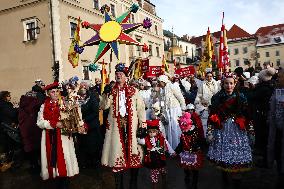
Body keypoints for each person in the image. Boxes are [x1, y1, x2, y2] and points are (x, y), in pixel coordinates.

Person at [100, 63, 146, 189]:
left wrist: (143, 124)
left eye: (121, 74)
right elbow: (103, 106)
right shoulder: (111, 90)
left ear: (126, 77)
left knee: (133, 150)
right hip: (116, 126)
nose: (118, 75)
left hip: (131, 125)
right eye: (117, 74)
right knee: (117, 152)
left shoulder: (133, 91)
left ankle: (133, 183)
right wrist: (105, 94)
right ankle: (119, 185)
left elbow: (141, 108)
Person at [207, 73, 254, 189]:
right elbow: (212, 116)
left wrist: (251, 131)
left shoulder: (241, 97)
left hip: (238, 131)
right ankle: (225, 179)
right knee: (224, 157)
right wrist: (210, 131)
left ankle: (236, 183)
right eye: (226, 83)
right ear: (222, 84)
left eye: (231, 83)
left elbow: (248, 116)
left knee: (236, 159)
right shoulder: (217, 98)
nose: (229, 86)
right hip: (222, 130)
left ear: (235, 84)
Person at [36, 82, 81, 189]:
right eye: (52, 92)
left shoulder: (66, 103)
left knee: (65, 158)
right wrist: (54, 124)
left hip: (64, 136)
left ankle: (65, 182)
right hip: (49, 136)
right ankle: (57, 181)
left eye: (57, 91)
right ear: (48, 93)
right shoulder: (44, 106)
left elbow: (75, 117)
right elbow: (39, 122)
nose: (55, 94)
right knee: (52, 159)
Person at [138, 119, 174, 189]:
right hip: (152, 159)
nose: (151, 133)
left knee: (162, 170)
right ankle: (154, 184)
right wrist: (141, 133)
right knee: (154, 172)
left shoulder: (161, 138)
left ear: (157, 132)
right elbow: (140, 141)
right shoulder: (146, 139)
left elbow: (167, 144)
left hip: (160, 157)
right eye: (150, 132)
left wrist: (172, 152)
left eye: (153, 132)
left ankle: (164, 179)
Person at [174, 112, 204, 189]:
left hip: (194, 153)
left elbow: (200, 142)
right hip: (186, 153)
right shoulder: (183, 134)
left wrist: (197, 147)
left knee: (195, 170)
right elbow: (181, 144)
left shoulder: (195, 133)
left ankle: (194, 183)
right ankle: (187, 176)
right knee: (186, 168)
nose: (183, 129)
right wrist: (176, 151)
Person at [77, 86, 103, 169]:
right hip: (81, 125)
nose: (82, 89)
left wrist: (84, 119)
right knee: (83, 144)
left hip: (92, 125)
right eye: (81, 88)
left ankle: (95, 161)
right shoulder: (77, 99)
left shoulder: (92, 98)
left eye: (84, 88)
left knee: (93, 145)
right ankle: (86, 161)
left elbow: (95, 112)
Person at [158, 74, 186, 150]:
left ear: (163, 81)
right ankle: (171, 147)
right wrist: (161, 111)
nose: (159, 83)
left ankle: (178, 147)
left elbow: (180, 97)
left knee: (175, 128)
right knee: (169, 128)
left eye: (159, 81)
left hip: (174, 109)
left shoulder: (172, 86)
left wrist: (183, 108)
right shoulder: (161, 89)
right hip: (167, 111)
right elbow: (161, 101)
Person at [267, 69, 284, 188]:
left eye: (280, 77)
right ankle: (280, 176)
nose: (277, 78)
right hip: (277, 131)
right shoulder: (277, 91)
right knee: (278, 155)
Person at [194, 71, 219, 136]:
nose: (209, 78)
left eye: (210, 76)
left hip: (214, 106)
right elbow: (199, 95)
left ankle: (215, 137)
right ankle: (205, 138)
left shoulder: (216, 83)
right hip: (205, 106)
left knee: (214, 122)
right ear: (205, 77)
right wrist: (198, 103)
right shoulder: (202, 84)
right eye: (208, 76)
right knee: (205, 123)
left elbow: (219, 93)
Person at [0, 91, 19, 171]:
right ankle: (6, 163)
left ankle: (6, 162)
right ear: (4, 97)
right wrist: (16, 108)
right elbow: (12, 114)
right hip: (6, 128)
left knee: (7, 145)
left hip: (5, 127)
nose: (10, 97)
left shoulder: (5, 104)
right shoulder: (4, 105)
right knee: (8, 145)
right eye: (8, 96)